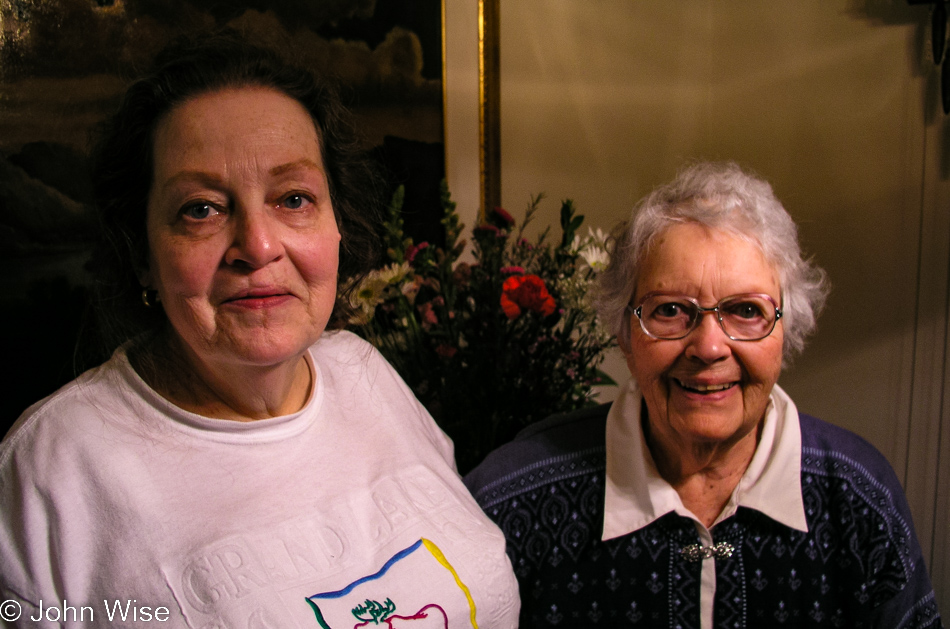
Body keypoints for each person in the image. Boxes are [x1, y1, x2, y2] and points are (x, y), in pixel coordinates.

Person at [0, 32, 519, 628]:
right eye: (201, 209)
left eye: (294, 198)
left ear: (336, 225)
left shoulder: (364, 371)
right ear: (141, 252)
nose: (259, 246)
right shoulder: (54, 465)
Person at [464, 162, 941, 629]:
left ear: (786, 330)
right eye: (670, 309)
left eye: (746, 311)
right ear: (624, 332)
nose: (710, 347)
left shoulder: (858, 496)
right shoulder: (512, 497)